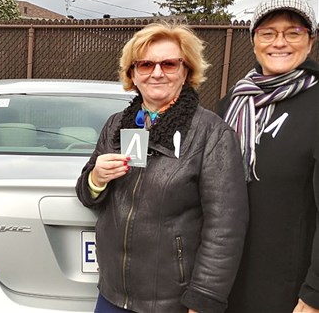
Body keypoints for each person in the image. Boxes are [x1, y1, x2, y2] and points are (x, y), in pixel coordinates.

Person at [75, 22, 248, 313]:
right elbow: (87, 195)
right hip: (112, 295)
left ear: (186, 71)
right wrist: (96, 178)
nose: (157, 73)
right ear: (132, 73)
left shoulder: (211, 133)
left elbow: (225, 228)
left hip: (173, 302)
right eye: (145, 64)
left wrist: (203, 300)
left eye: (168, 64)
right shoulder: (117, 125)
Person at [218, 0, 319, 313]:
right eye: (268, 33)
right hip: (227, 281)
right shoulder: (230, 104)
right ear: (254, 41)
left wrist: (315, 292)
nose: (280, 42)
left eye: (293, 32)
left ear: (310, 41)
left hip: (288, 290)